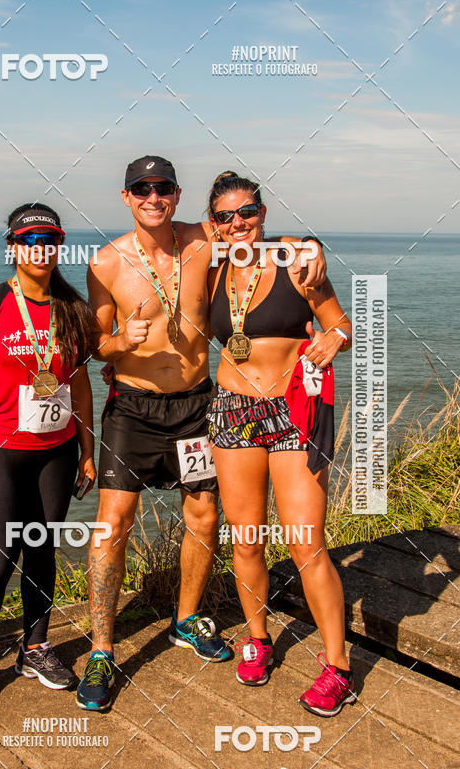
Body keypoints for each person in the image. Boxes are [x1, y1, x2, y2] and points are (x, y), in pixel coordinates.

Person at [77, 157, 327, 712]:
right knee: (113, 522)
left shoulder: (202, 240)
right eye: (142, 188)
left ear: (176, 194)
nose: (153, 197)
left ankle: (186, 620)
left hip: (194, 407)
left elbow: (256, 235)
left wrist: (310, 245)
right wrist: (121, 342)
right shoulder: (105, 262)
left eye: (163, 187)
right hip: (133, 409)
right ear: (126, 196)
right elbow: (96, 345)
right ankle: (101, 649)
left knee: (205, 514)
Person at [206, 171, 355, 717]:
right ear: (214, 224)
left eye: (247, 212)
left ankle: (338, 666)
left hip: (294, 411)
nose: (238, 223)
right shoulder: (212, 268)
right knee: (246, 538)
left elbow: (341, 325)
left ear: (263, 213)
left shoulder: (296, 262)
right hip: (233, 410)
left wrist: (332, 341)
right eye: (225, 216)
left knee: (305, 542)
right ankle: (258, 639)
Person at [0, 203, 95, 713]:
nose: (40, 249)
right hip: (0, 451)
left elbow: (80, 383)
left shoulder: (72, 308)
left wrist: (88, 449)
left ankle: (34, 649)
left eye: (49, 239)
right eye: (29, 240)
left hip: (56, 451)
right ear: (13, 247)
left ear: (59, 246)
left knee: (42, 550)